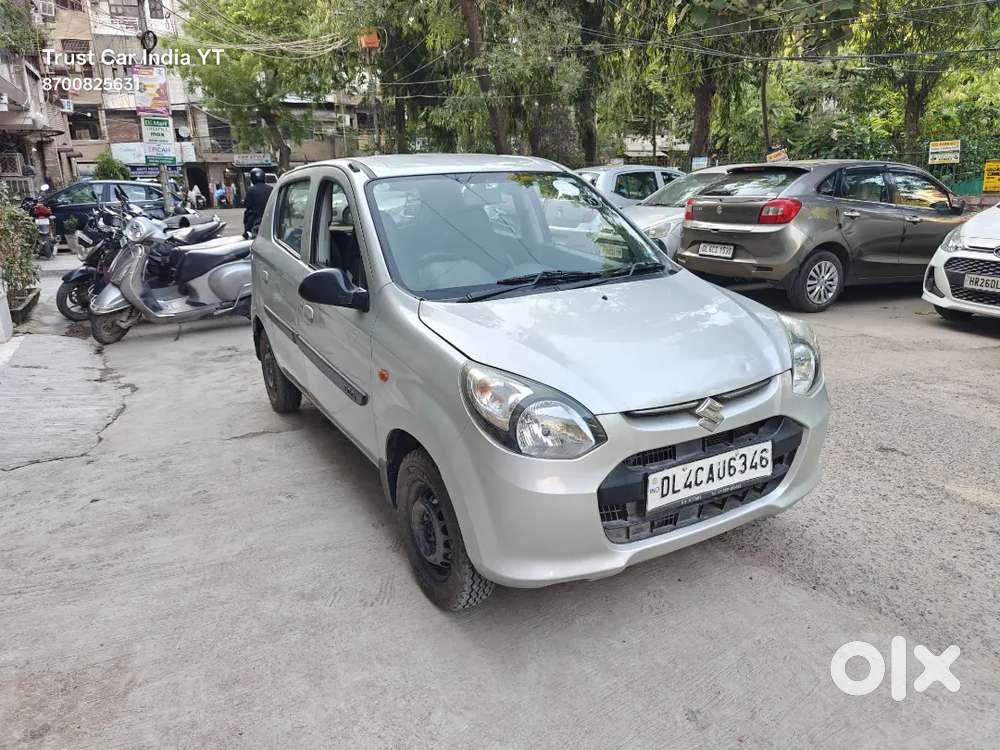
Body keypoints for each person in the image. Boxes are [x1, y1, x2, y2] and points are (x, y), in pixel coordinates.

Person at [243, 167, 272, 236]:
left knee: (247, 227)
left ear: (252, 178)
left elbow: (247, 205)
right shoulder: (271, 189)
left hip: (255, 217)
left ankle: (247, 233)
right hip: (269, 216)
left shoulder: (251, 190)